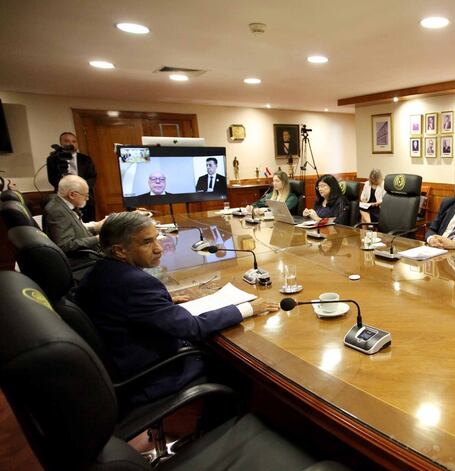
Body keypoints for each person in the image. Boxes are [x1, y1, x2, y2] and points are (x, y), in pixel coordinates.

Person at [74, 211, 278, 405]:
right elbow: (192, 328)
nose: (158, 249)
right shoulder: (135, 284)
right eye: (147, 242)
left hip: (119, 363)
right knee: (238, 364)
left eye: (156, 238)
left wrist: (161, 302)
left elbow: (125, 307)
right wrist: (247, 308)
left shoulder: (99, 272)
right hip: (150, 375)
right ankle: (226, 425)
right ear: (119, 251)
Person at [42, 175, 104, 268]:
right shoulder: (57, 211)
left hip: (88, 251)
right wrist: (98, 238)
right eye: (86, 195)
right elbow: (66, 245)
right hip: (82, 258)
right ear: (72, 195)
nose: (87, 198)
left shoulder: (61, 205)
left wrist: (96, 227)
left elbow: (74, 229)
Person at [46, 131, 97, 221]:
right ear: (61, 143)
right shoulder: (53, 159)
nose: (71, 143)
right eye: (67, 141)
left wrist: (79, 189)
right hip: (64, 198)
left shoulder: (85, 159)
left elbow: (92, 177)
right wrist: (69, 190)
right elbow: (52, 178)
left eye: (74, 141)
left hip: (85, 199)